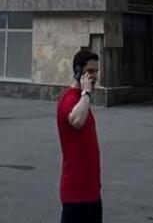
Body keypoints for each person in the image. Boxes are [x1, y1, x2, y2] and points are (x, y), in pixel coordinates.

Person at [56, 47, 102, 222]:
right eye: (90, 71)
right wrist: (86, 93)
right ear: (78, 72)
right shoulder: (69, 98)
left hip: (91, 190)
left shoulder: (83, 99)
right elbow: (76, 120)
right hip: (76, 193)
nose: (94, 76)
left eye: (96, 71)